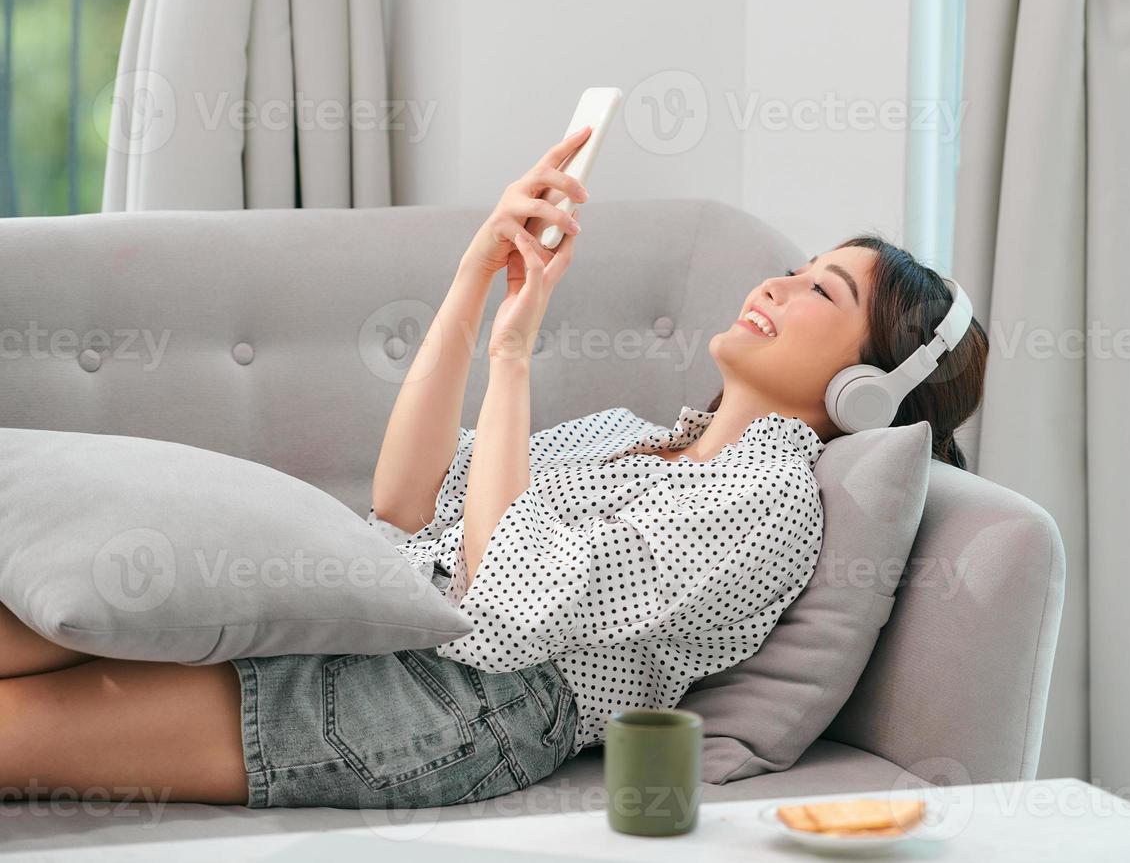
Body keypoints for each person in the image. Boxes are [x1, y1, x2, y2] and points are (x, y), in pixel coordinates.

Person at [0, 129, 989, 810]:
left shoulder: (769, 503)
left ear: (864, 387)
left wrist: (515, 357)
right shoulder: (631, 434)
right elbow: (406, 498)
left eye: (819, 288)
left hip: (460, 705)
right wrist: (477, 279)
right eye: (798, 263)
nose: (777, 281)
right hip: (382, 613)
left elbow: (509, 611)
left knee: (18, 734)